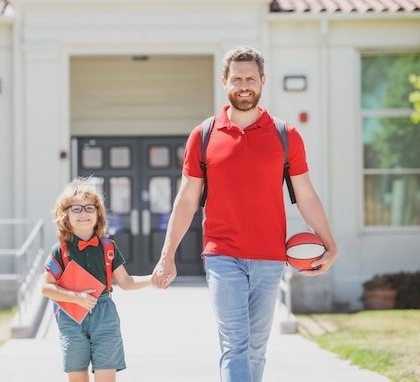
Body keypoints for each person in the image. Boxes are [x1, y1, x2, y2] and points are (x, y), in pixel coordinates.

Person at [151, 45, 339, 382]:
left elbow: (306, 195)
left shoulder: (286, 136)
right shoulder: (204, 135)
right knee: (235, 345)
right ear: (224, 82)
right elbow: (186, 199)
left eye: (250, 78)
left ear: (263, 81)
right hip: (223, 256)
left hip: (270, 257)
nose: (244, 84)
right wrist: (168, 255)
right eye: (236, 78)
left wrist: (330, 244)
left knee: (255, 349)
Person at [42, 177, 154, 382]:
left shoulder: (108, 248)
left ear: (98, 213)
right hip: (72, 317)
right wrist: (75, 297)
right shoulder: (61, 251)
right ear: (65, 215)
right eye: (76, 208)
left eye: (89, 208)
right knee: (77, 376)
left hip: (105, 316)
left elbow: (126, 282)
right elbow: (46, 288)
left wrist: (152, 279)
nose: (83, 213)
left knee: (106, 377)